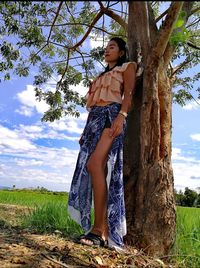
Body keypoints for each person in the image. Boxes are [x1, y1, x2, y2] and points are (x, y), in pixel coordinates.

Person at [68, 37, 137, 249]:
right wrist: (84, 131)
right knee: (93, 169)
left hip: (112, 116)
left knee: (95, 165)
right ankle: (99, 228)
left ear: (122, 52)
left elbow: (128, 94)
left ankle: (101, 231)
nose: (107, 50)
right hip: (94, 121)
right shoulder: (100, 76)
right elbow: (94, 104)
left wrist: (122, 115)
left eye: (112, 47)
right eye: (106, 48)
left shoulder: (127, 67)